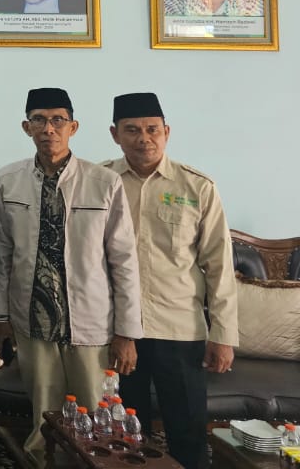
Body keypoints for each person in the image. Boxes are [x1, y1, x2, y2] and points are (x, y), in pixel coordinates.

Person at [0, 87, 143, 455]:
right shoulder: (9, 179)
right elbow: (2, 254)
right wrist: (0, 316)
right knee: (44, 414)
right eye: (39, 120)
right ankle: (41, 461)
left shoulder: (103, 182)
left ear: (73, 127)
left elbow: (124, 260)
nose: (49, 129)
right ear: (27, 127)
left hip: (90, 321)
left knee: (95, 413)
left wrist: (127, 332)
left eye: (58, 120)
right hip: (33, 319)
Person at [102, 92, 237, 469]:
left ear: (167, 132)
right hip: (116, 329)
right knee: (122, 432)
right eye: (132, 130)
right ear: (115, 134)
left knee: (188, 429)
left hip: (178, 329)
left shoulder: (197, 187)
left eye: (152, 129)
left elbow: (219, 265)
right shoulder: (99, 181)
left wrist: (223, 334)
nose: (143, 138)